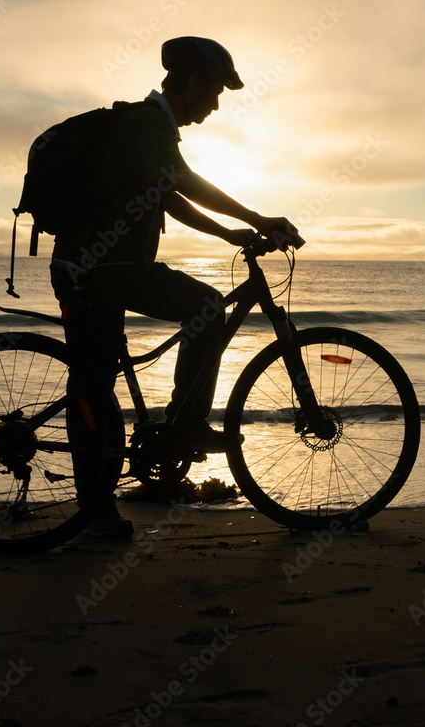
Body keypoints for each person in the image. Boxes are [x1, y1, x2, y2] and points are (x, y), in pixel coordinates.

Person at [49, 35, 300, 538]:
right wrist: (255, 216)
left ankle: (154, 451)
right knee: (100, 385)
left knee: (98, 380)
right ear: (192, 82)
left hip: (109, 269)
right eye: (214, 93)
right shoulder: (148, 124)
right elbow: (180, 179)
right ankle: (106, 503)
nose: (214, 106)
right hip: (101, 273)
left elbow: (163, 194)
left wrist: (228, 232)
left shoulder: (147, 130)